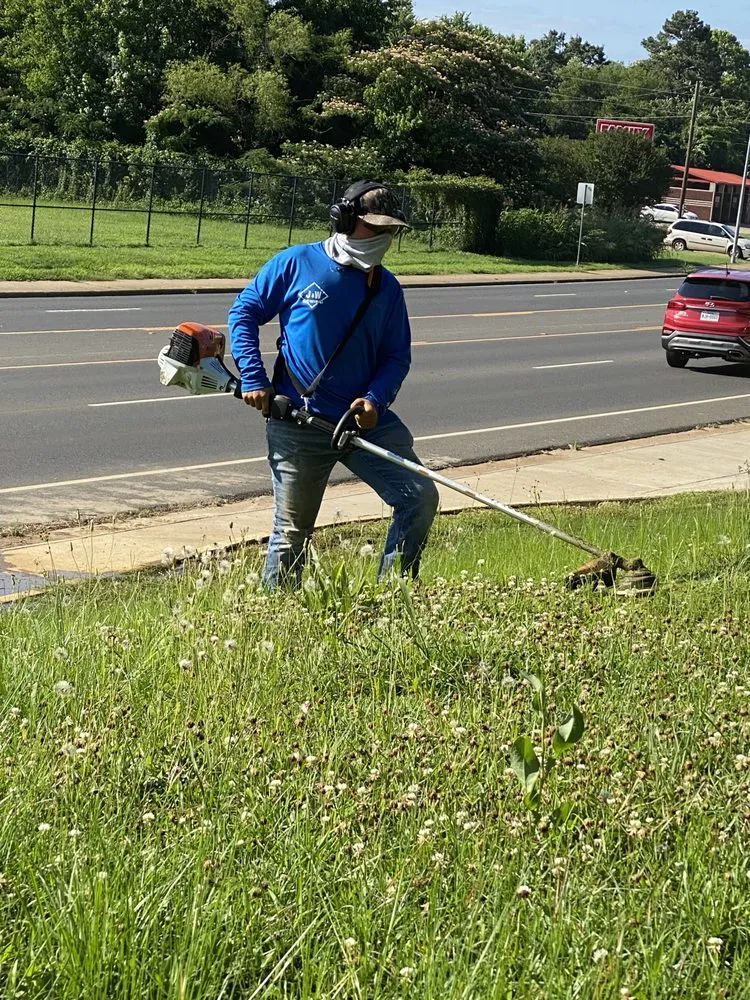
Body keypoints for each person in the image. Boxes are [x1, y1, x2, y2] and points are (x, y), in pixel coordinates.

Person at [228, 179, 439, 588]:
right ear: (343, 219)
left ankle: (393, 597)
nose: (383, 238)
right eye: (375, 227)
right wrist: (254, 377)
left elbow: (397, 356)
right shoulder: (295, 264)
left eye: (390, 231)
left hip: (362, 425)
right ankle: (276, 613)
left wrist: (376, 399)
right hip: (298, 423)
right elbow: (244, 313)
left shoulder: (387, 289)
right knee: (291, 533)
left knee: (419, 497)